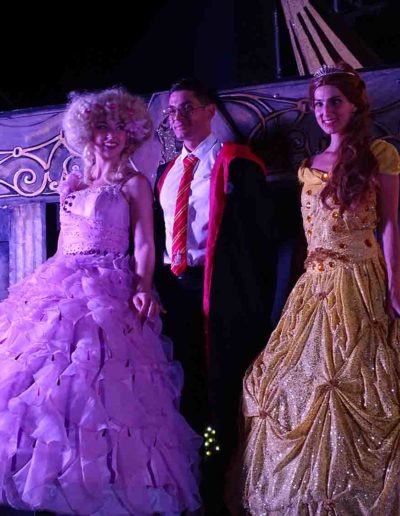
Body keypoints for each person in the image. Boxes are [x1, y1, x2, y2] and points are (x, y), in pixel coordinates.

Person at [0, 87, 201, 515]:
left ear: (131, 134)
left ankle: (104, 485)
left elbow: (144, 242)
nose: (110, 135)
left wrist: (142, 286)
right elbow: (64, 242)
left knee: (105, 386)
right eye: (102, 127)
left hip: (110, 284)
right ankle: (55, 480)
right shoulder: (73, 183)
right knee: (49, 382)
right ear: (88, 132)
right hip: (63, 279)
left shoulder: (134, 183)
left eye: (119, 128)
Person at [238, 61, 400, 514]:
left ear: (354, 106)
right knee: (287, 380)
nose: (326, 111)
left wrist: (395, 283)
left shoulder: (379, 154)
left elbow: (391, 224)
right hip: (315, 285)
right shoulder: (308, 166)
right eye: (319, 104)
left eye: (335, 102)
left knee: (362, 380)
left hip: (361, 278)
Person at [153, 78, 277, 511]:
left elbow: (261, 239)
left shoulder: (235, 162)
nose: (178, 118)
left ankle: (216, 473)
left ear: (209, 111)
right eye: (172, 111)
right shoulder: (166, 173)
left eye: (187, 107)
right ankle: (185, 474)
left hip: (220, 290)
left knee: (218, 387)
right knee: (180, 382)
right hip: (175, 290)